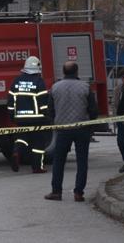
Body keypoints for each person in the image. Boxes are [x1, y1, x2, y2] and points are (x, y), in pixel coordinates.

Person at [45, 62, 99, 201]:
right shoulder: (85, 87)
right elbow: (93, 111)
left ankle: (56, 191)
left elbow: (49, 110)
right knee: (82, 162)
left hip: (63, 129)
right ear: (77, 72)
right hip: (82, 129)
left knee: (59, 161)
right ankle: (78, 192)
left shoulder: (55, 88)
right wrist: (89, 123)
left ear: (63, 72)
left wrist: (55, 122)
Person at [7, 56, 51, 173]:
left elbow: (11, 99)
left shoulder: (16, 81)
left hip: (20, 118)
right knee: (38, 143)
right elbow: (43, 101)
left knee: (22, 138)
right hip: (37, 118)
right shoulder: (39, 81)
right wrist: (47, 115)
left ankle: (16, 152)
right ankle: (37, 167)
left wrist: (11, 114)